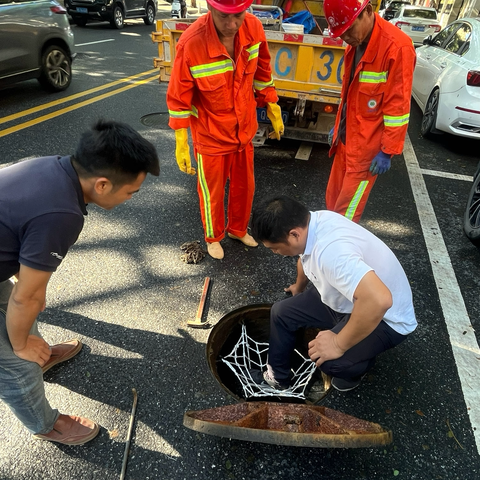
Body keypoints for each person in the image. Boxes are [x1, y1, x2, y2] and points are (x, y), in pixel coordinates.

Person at [0, 120, 160, 445]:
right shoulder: (61, 213)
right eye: (131, 191)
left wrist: (27, 292)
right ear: (102, 184)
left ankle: (37, 351)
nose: (131, 198)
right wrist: (19, 345)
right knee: (16, 364)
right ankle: (44, 423)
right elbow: (25, 299)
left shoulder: (55, 168)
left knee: (19, 309)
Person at [251, 195, 417, 392]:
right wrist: (299, 286)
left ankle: (357, 369)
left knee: (329, 362)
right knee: (281, 312)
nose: (274, 252)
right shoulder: (313, 222)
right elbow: (304, 256)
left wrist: (338, 344)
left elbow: (379, 300)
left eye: (275, 248)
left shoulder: (332, 253)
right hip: (351, 298)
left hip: (388, 318)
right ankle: (278, 378)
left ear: (294, 234)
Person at [166, 0, 284, 260]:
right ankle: (213, 236)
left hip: (243, 130)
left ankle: (238, 229)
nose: (232, 25)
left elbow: (263, 69)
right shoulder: (192, 43)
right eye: (223, 17)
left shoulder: (253, 28)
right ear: (210, 9)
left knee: (246, 187)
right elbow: (179, 96)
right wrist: (181, 139)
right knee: (212, 193)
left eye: (238, 15)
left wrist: (271, 101)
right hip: (210, 134)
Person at [323, 0, 416, 223]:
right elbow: (351, 94)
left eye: (349, 30)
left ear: (368, 11)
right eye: (341, 34)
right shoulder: (356, 42)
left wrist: (388, 151)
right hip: (346, 142)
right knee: (332, 204)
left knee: (345, 218)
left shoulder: (397, 47)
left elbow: (398, 106)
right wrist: (339, 125)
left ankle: (337, 255)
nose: (346, 38)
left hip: (365, 152)